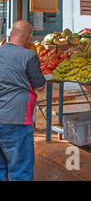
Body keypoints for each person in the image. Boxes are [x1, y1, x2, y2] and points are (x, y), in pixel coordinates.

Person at [0, 21, 46, 181]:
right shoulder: (29, 56)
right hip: (17, 120)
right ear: (30, 37)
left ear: (11, 33)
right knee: (21, 171)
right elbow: (40, 86)